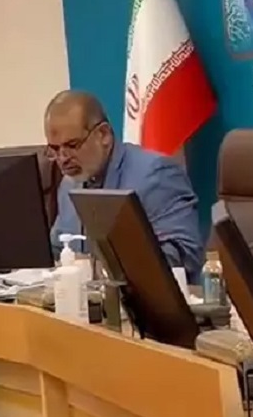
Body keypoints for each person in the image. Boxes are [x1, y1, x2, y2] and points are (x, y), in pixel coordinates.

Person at [46, 90, 204, 281]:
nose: (62, 159)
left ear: (103, 135)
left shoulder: (155, 174)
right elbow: (57, 249)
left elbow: (184, 255)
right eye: (55, 149)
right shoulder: (69, 185)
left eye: (72, 145)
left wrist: (101, 269)